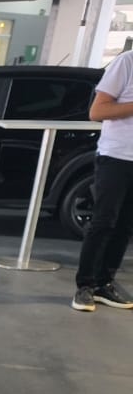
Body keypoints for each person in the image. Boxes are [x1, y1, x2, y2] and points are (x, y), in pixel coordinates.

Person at [72, 49, 133, 312]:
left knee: (125, 225)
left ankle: (104, 284)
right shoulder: (127, 62)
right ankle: (85, 286)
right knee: (104, 222)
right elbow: (97, 111)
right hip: (117, 156)